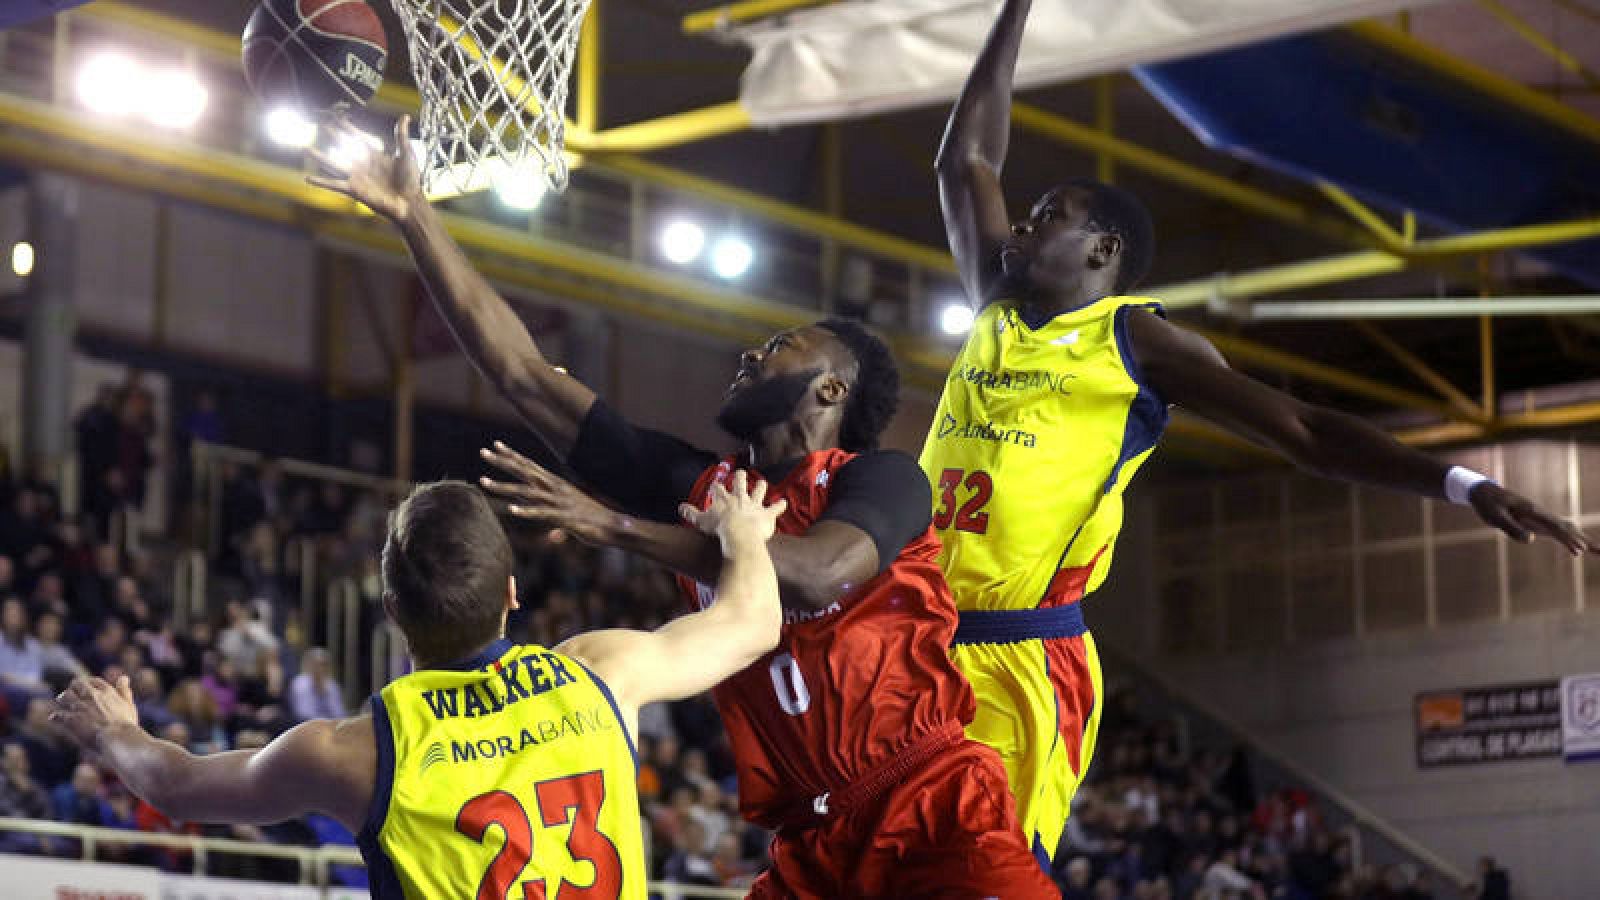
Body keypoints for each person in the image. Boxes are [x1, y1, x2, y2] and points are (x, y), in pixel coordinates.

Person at [310, 113, 1057, 898]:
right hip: (811, 845)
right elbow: (524, 375)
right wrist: (414, 216)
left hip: (932, 804)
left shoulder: (885, 481)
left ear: (832, 388)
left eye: (781, 346)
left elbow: (809, 575)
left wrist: (620, 529)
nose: (751, 353)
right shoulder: (697, 486)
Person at [926, 0, 1600, 869]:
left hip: (1016, 660)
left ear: (1103, 253)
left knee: (975, 878)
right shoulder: (997, 300)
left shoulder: (1139, 341)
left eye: (1049, 214)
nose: (1021, 223)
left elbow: (1307, 431)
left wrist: (1460, 484)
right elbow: (965, 157)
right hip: (914, 628)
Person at [51, 476, 787, 899]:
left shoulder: (356, 753)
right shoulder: (599, 675)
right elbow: (753, 622)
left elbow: (176, 787)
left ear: (394, 611)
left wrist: (114, 730)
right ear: (511, 592)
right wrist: (744, 530)